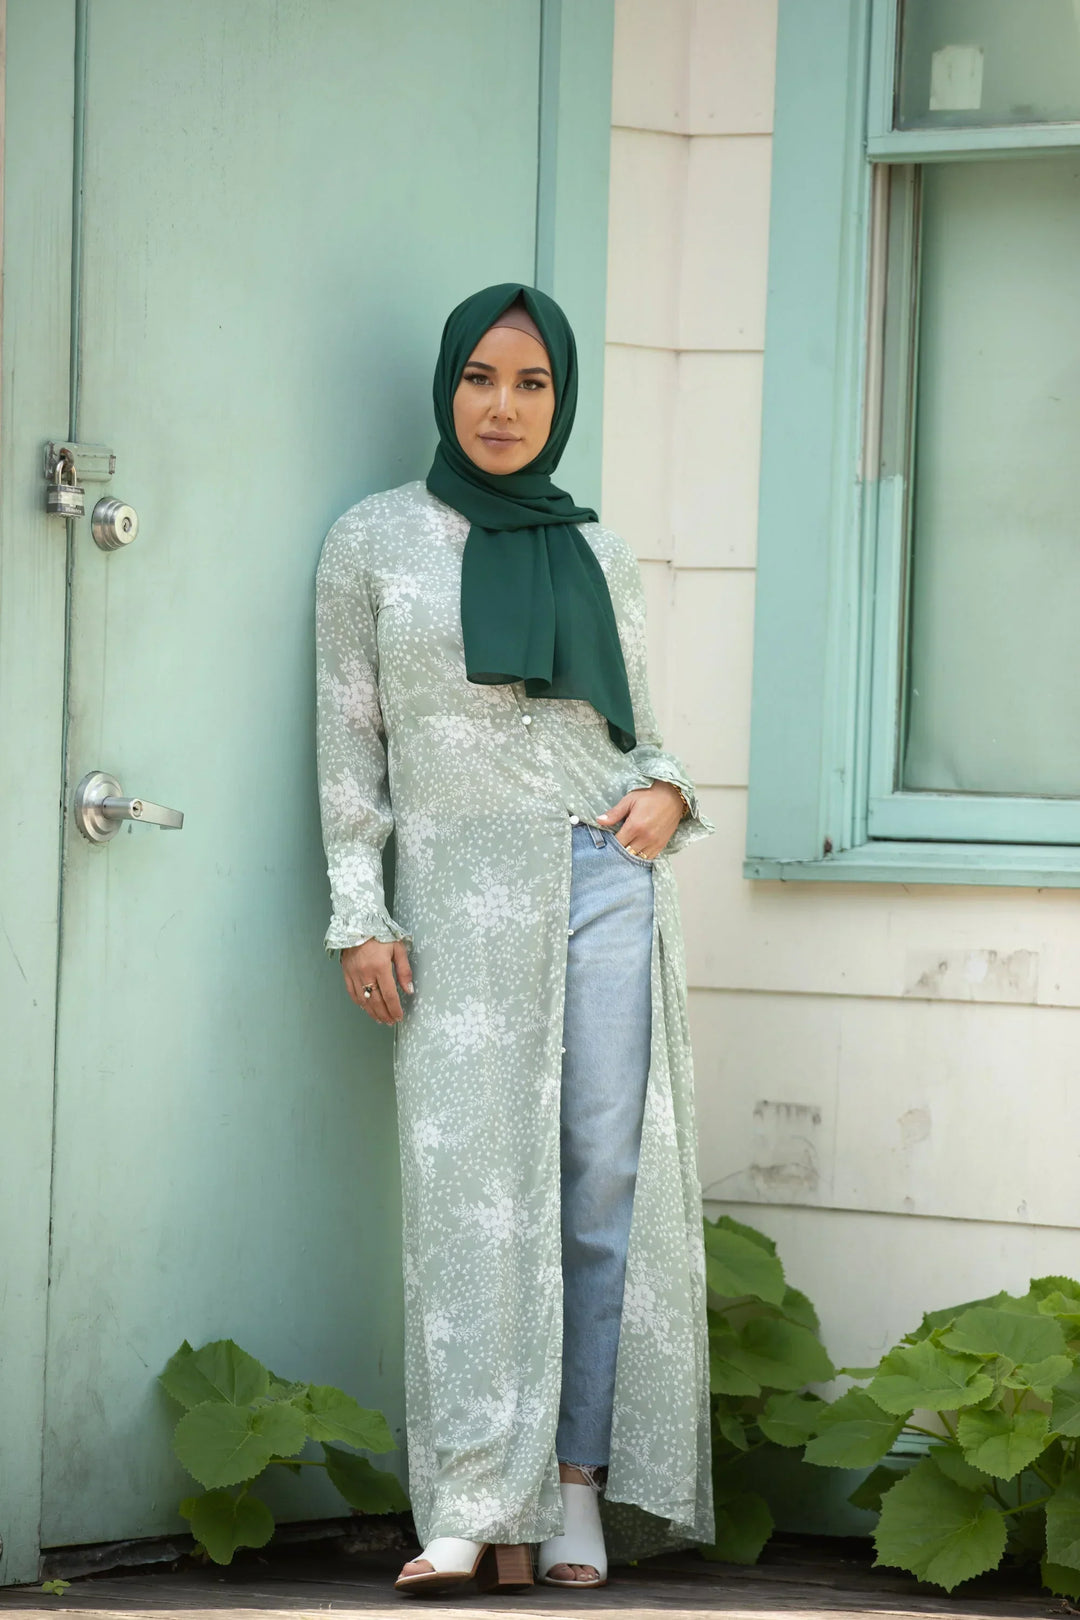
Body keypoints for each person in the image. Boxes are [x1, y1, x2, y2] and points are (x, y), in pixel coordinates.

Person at [315, 283, 715, 1597]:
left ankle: (579, 1485)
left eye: (532, 385)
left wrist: (668, 795)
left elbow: (641, 736)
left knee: (598, 1181)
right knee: (471, 1194)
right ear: (448, 386)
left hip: (601, 873)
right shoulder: (373, 542)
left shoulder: (597, 551)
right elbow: (350, 745)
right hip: (457, 902)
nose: (502, 406)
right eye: (482, 378)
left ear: (560, 401)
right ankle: (475, 1499)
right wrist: (359, 910)